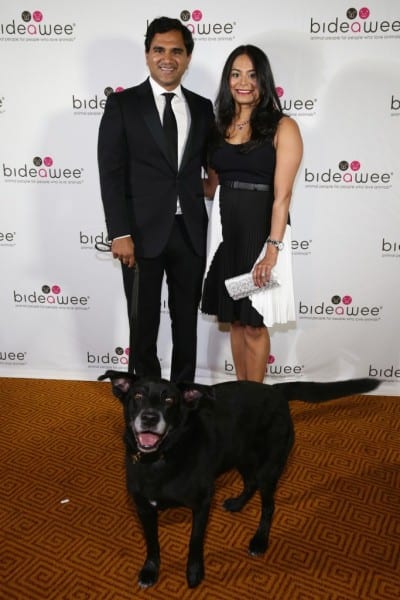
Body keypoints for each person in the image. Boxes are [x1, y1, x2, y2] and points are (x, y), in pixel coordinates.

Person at [98, 17, 214, 382]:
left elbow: (212, 164)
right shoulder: (123, 104)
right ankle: (143, 403)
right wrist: (119, 232)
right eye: (159, 50)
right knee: (142, 324)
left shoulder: (202, 107)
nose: (168, 58)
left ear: (188, 57)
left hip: (190, 231)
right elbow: (111, 172)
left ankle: (184, 398)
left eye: (176, 51)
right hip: (139, 234)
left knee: (186, 323)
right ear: (147, 55)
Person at [202, 45, 303, 382]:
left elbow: (283, 196)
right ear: (227, 80)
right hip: (227, 236)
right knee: (236, 319)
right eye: (235, 74)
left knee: (255, 323)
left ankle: (255, 403)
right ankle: (240, 398)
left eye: (251, 74)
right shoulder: (219, 126)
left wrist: (271, 252)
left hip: (261, 237)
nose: (243, 82)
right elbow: (212, 187)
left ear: (264, 80)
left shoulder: (283, 127)